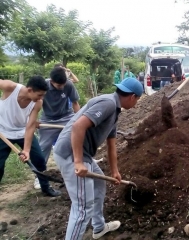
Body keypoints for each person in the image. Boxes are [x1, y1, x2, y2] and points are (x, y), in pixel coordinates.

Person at [53, 77, 143, 239]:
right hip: (71, 154)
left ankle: (99, 227)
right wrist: (78, 161)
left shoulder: (114, 110)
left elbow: (111, 145)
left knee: (99, 184)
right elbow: (78, 126)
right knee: (82, 208)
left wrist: (115, 171)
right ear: (132, 97)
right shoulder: (108, 104)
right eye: (137, 100)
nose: (136, 104)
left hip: (82, 154)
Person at [0, 77, 61, 197]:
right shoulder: (10, 88)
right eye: (40, 95)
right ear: (29, 90)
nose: (41, 98)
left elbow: (30, 126)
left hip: (23, 131)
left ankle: (46, 188)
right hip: (3, 132)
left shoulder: (37, 103)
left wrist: (26, 150)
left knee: (39, 160)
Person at [33, 67, 81, 189]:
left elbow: (75, 103)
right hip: (48, 119)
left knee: (77, 139)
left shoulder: (68, 85)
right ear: (51, 81)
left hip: (67, 117)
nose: (61, 87)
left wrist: (79, 119)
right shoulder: (44, 86)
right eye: (59, 85)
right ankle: (39, 177)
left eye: (63, 84)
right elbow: (35, 103)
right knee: (43, 147)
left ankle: (81, 165)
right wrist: (34, 121)